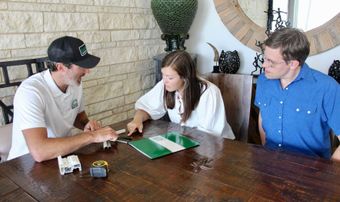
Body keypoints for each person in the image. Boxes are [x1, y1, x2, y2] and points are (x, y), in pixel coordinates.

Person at [7, 36, 118, 162]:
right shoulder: (31, 92)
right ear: (61, 67)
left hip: (63, 156)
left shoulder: (75, 83)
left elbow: (77, 115)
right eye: (82, 66)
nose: (87, 71)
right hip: (25, 165)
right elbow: (39, 151)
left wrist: (87, 125)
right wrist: (92, 136)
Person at [255, 28, 340, 160]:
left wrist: (328, 173)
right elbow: (262, 116)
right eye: (264, 58)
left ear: (293, 64)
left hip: (311, 172)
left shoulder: (327, 88)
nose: (264, 65)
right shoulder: (263, 80)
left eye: (271, 62)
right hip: (268, 166)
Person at [127, 50, 235, 139]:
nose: (165, 81)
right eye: (163, 75)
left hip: (217, 146)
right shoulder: (165, 85)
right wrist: (136, 121)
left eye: (170, 77)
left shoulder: (208, 92)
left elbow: (208, 136)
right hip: (186, 141)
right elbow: (146, 108)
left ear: (185, 77)